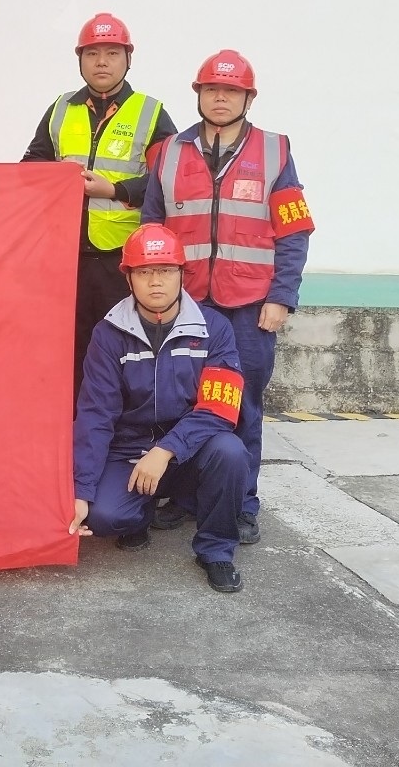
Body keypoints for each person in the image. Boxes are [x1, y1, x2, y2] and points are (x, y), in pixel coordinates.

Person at [142, 49, 313, 546]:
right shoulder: (169, 153)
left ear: (248, 98)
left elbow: (295, 231)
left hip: (249, 309)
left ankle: (241, 504)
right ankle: (188, 497)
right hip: (185, 306)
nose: (221, 98)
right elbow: (152, 224)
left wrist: (281, 296)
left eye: (231, 90)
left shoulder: (275, 152)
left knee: (242, 407)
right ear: (198, 94)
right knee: (182, 404)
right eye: (212, 89)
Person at [68, 224, 249, 593]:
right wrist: (80, 490)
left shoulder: (214, 328)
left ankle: (215, 551)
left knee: (230, 453)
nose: (155, 282)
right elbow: (96, 414)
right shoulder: (109, 334)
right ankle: (139, 515)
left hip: (188, 450)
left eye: (165, 270)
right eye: (144, 272)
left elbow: (220, 408)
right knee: (103, 517)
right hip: (128, 449)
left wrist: (166, 449)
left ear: (182, 274)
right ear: (128, 278)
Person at [20, 13, 177, 394]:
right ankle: (74, 425)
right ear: (80, 60)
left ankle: (122, 425)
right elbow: (31, 168)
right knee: (67, 351)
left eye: (111, 53)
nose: (101, 62)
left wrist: (115, 190)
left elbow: (168, 179)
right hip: (66, 258)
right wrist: (54, 178)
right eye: (92, 54)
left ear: (128, 59)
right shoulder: (60, 108)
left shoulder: (150, 113)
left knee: (123, 351)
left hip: (121, 260)